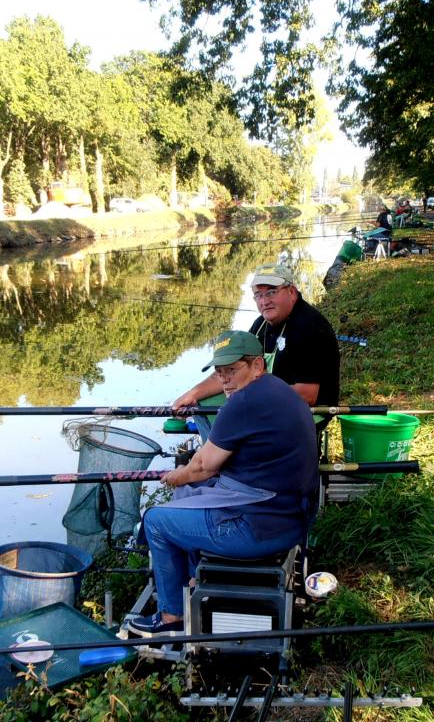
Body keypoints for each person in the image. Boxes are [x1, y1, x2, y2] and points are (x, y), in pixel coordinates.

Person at [131, 330, 319, 633]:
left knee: (155, 520)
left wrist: (174, 477)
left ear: (257, 365)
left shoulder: (243, 403)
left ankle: (171, 616)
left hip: (257, 530)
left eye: (232, 370)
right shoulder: (280, 390)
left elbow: (202, 467)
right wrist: (187, 480)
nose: (225, 380)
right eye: (220, 373)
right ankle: (194, 580)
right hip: (292, 520)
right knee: (187, 497)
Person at [173, 262, 340, 415]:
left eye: (272, 292)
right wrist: (192, 394)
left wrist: (247, 397)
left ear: (291, 292)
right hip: (266, 398)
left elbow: (306, 395)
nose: (264, 301)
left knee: (232, 418)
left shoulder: (308, 326)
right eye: (258, 295)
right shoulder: (261, 324)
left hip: (307, 412)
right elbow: (232, 369)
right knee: (204, 404)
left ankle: (229, 445)